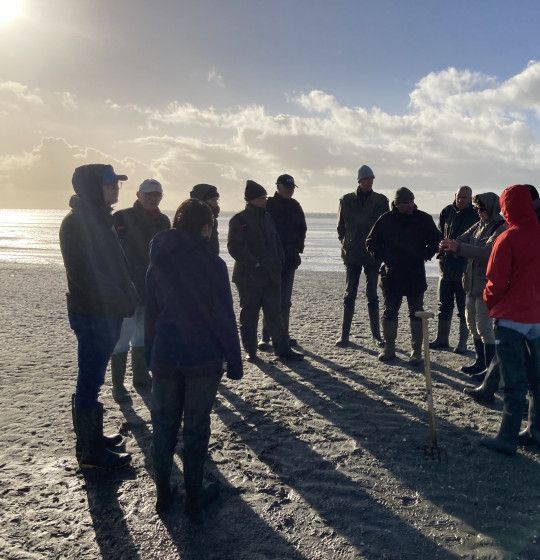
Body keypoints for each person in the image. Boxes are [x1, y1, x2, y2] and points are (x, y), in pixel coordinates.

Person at [146, 199, 243, 518]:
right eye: (212, 225)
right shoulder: (212, 264)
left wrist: (150, 355)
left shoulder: (157, 259)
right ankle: (194, 495)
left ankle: (163, 494)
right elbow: (224, 318)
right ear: (205, 227)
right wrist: (234, 360)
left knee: (163, 426)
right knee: (196, 428)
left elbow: (151, 313)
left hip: (165, 354)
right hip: (202, 356)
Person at [59, 164, 136, 469]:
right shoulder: (76, 223)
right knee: (89, 380)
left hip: (107, 312)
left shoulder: (100, 219)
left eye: (116, 183)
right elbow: (85, 276)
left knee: (93, 378)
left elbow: (115, 266)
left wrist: (126, 295)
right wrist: (118, 299)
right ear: (92, 187)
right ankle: (89, 452)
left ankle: (92, 440)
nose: (115, 188)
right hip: (93, 313)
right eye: (108, 183)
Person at [479, 185, 540, 455]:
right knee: (537, 381)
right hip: (536, 318)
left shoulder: (507, 238)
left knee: (514, 383)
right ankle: (535, 431)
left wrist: (492, 304)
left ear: (506, 207)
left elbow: (495, 281)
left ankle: (507, 438)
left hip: (512, 319)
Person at [227, 180, 303, 362]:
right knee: (249, 315)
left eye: (265, 197)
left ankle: (283, 349)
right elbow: (234, 247)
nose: (265, 200)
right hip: (248, 278)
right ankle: (251, 351)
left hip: (271, 275)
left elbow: (275, 241)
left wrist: (280, 260)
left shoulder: (267, 217)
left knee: (274, 314)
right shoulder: (239, 220)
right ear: (252, 199)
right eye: (262, 197)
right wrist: (254, 263)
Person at [110, 179, 171, 402]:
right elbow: (111, 251)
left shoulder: (164, 220)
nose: (152, 198)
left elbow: (168, 254)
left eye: (157, 194)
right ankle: (117, 384)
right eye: (148, 194)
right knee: (121, 336)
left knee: (143, 334)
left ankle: (141, 377)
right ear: (138, 194)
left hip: (152, 286)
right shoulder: (121, 217)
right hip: (125, 287)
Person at [366, 187, 441, 364]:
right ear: (397, 203)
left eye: (412, 201)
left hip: (415, 273)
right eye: (406, 202)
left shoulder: (424, 219)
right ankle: (389, 349)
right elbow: (371, 242)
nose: (410, 205)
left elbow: (437, 240)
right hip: (391, 274)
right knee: (390, 311)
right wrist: (384, 257)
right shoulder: (386, 220)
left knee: (417, 313)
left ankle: (416, 351)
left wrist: (425, 254)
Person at [440, 193, 505, 382]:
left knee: (485, 327)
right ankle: (479, 361)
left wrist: (458, 248)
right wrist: (449, 243)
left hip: (486, 284)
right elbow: (463, 237)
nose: (478, 212)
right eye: (476, 208)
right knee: (471, 323)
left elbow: (487, 253)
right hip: (470, 282)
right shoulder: (480, 224)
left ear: (491, 208)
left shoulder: (499, 227)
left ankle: (488, 367)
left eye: (481, 208)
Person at [336, 165, 389, 347]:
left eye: (371, 179)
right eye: (366, 179)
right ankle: (344, 336)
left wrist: (380, 248)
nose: (369, 181)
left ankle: (376, 336)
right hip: (352, 255)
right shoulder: (346, 200)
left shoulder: (381, 201)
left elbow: (385, 227)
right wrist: (346, 244)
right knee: (349, 294)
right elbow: (340, 228)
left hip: (373, 255)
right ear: (359, 180)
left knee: (372, 295)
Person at [259, 174, 307, 350]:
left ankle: (284, 335)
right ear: (278, 186)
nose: (290, 190)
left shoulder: (295, 206)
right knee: (270, 298)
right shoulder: (268, 205)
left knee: (285, 301)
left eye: (292, 187)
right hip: (271, 261)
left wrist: (297, 249)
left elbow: (302, 228)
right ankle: (266, 336)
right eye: (287, 187)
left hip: (290, 260)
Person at [430, 186, 478, 353]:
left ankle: (462, 343)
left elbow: (477, 241)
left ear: (470, 199)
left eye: (465, 197)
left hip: (464, 267)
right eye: (459, 196)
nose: (461, 200)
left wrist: (460, 249)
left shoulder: (476, 214)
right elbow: (439, 233)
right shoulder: (446, 211)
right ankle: (442, 339)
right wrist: (440, 245)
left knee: (463, 306)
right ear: (455, 196)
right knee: (443, 305)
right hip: (445, 266)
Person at [190, 183, 221, 254]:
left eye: (217, 200)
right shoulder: (191, 219)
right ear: (201, 201)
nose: (216, 203)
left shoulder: (213, 219)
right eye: (213, 200)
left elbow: (214, 245)